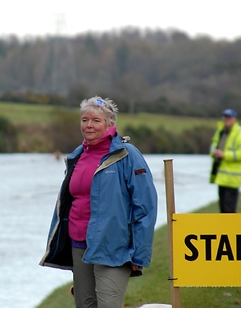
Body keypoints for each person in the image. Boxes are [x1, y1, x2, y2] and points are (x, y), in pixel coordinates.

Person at [39, 96, 158, 308]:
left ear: (110, 124)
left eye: (96, 120)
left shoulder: (127, 155)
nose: (89, 125)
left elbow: (145, 207)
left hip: (114, 247)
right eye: (84, 120)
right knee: (85, 308)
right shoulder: (77, 156)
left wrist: (139, 255)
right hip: (79, 245)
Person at [209, 109, 241, 213]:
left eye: (229, 117)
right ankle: (225, 229)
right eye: (225, 117)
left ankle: (231, 229)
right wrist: (214, 153)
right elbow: (213, 146)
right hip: (221, 177)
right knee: (223, 209)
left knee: (229, 210)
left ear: (234, 119)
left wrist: (224, 155)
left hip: (232, 178)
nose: (226, 120)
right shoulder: (220, 132)